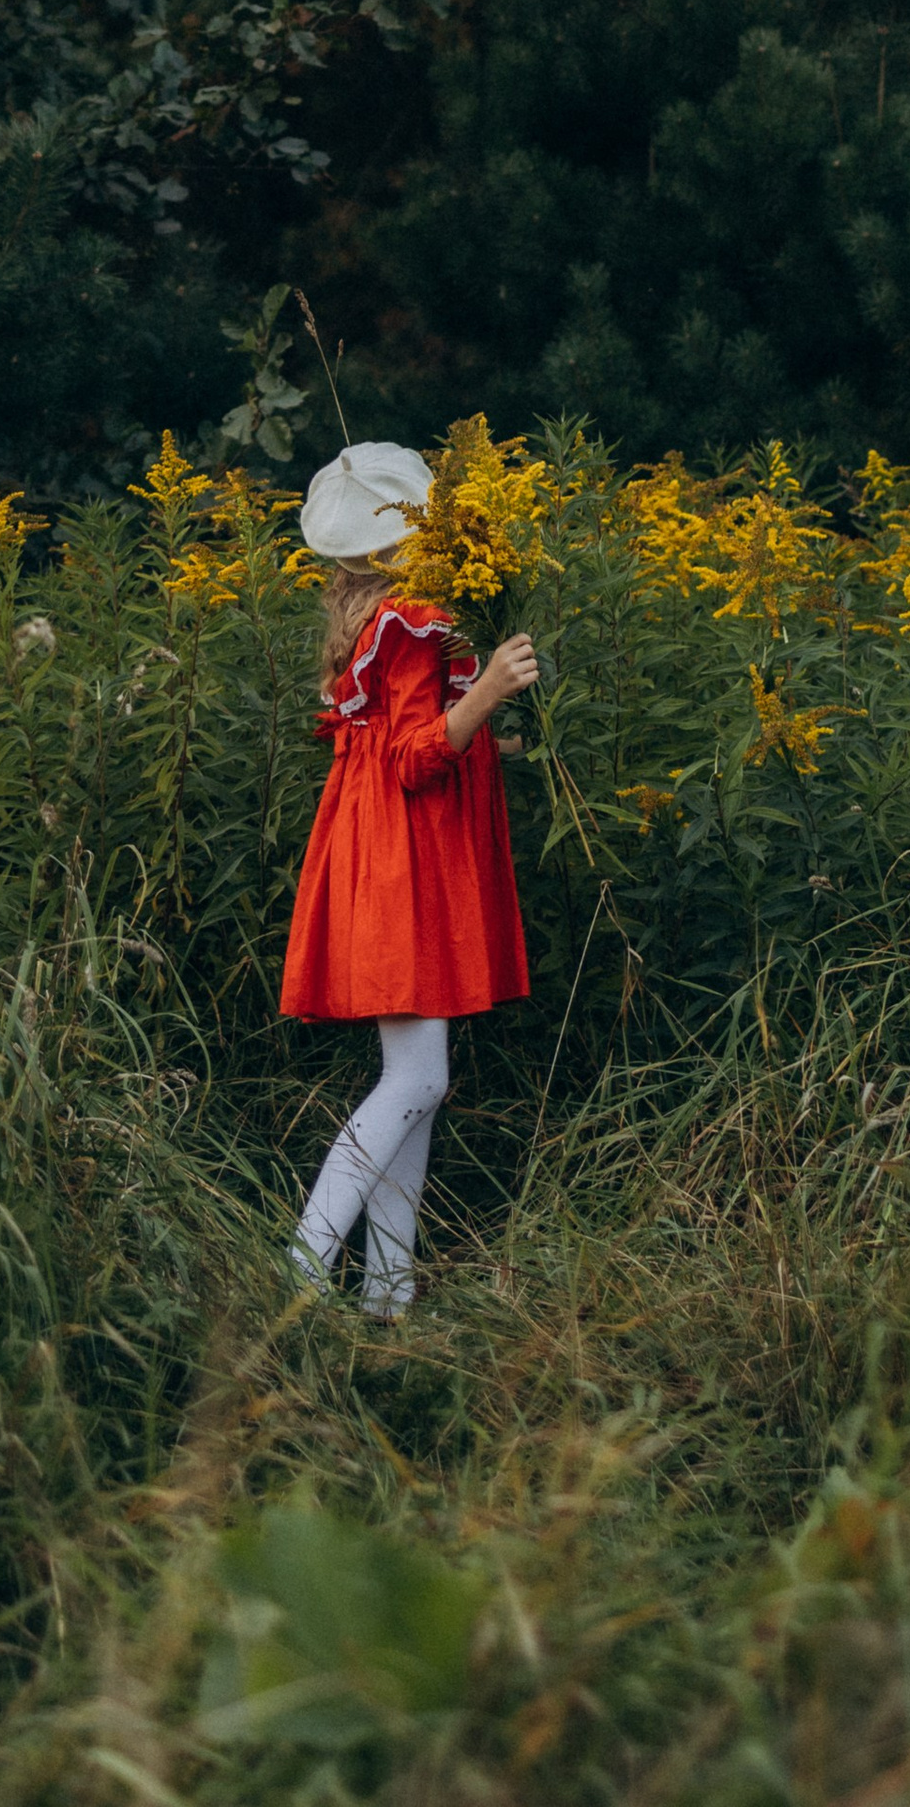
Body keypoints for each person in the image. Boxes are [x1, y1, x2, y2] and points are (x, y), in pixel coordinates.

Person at [279, 440, 537, 1313]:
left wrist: (485, 717)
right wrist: (491, 689)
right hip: (401, 856)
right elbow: (415, 758)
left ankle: (388, 1294)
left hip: (392, 850)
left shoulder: (388, 618)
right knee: (418, 1079)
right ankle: (302, 1267)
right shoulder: (410, 620)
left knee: (419, 1079)